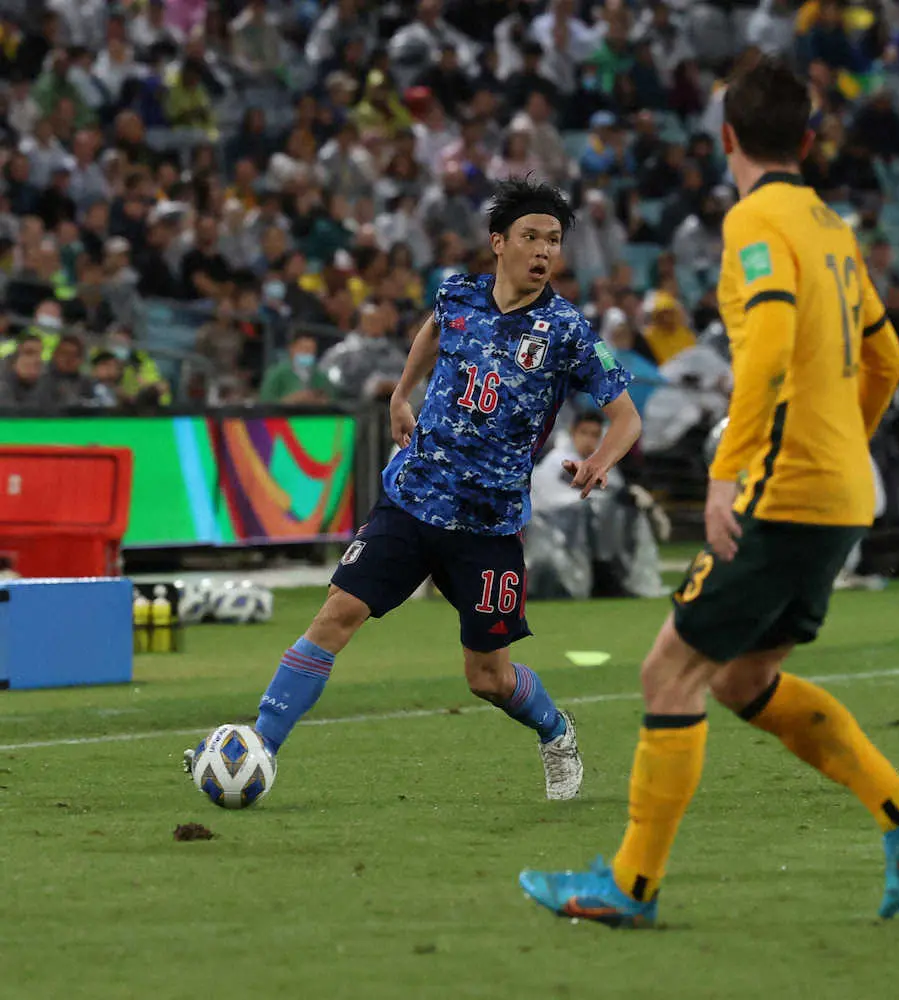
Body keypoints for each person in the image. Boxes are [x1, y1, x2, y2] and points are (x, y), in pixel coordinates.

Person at [519, 57, 899, 925]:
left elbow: (765, 349)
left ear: (726, 139)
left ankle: (631, 885)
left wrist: (729, 473)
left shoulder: (756, 221)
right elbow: (888, 359)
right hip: (839, 492)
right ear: (805, 138)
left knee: (667, 673)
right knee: (743, 679)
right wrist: (845, 447)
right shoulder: (833, 227)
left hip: (783, 490)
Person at [204, 179, 640, 802]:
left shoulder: (567, 330)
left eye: (553, 240)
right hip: (412, 499)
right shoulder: (458, 294)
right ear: (499, 243)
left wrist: (599, 459)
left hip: (488, 526)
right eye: (531, 237)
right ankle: (262, 746)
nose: (543, 251)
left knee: (487, 677)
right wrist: (401, 392)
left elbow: (627, 416)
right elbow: (433, 331)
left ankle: (554, 729)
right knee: (337, 613)